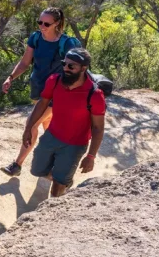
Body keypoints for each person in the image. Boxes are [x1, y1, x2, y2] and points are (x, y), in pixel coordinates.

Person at [0, 7, 80, 177]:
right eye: (40, 22)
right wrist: (10, 77)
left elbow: (77, 69)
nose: (42, 26)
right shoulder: (35, 38)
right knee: (49, 128)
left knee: (32, 124)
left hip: (58, 93)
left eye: (46, 23)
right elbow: (24, 62)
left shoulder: (67, 43)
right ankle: (54, 167)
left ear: (57, 23)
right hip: (38, 89)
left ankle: (17, 165)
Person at [23, 48, 105, 198]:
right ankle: (63, 178)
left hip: (75, 145)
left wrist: (91, 156)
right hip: (51, 136)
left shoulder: (94, 95)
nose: (65, 68)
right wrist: (29, 128)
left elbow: (98, 128)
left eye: (71, 66)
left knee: (56, 191)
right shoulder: (54, 81)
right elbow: (42, 103)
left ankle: (60, 187)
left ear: (83, 68)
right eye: (64, 64)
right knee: (37, 170)